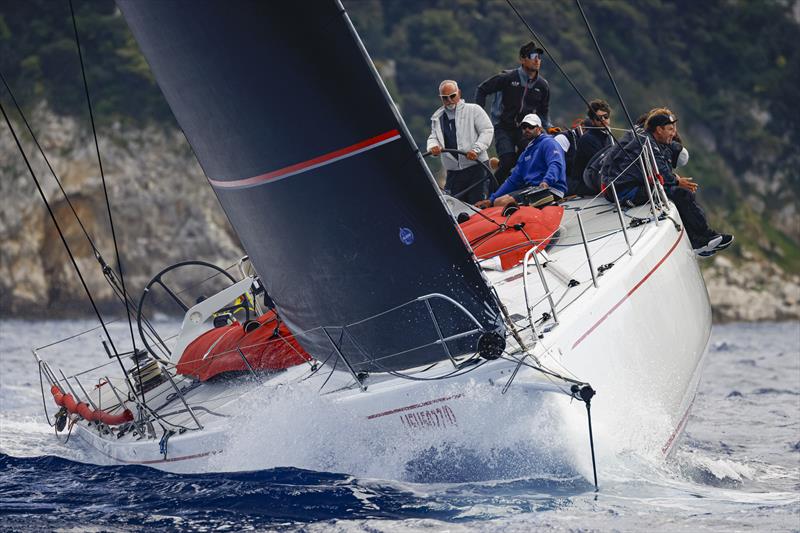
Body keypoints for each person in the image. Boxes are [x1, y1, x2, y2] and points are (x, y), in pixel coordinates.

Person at [603, 109, 733, 256]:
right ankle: (703, 238)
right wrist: (677, 180)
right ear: (659, 130)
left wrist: (675, 179)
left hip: (630, 186)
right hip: (624, 192)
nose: (673, 133)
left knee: (677, 194)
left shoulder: (650, 140)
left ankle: (700, 240)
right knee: (681, 194)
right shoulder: (648, 144)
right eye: (670, 129)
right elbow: (663, 175)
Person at [475, 42, 551, 187]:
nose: (537, 60)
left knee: (530, 156)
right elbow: (482, 90)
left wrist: (549, 128)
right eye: (533, 56)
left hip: (524, 129)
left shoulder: (543, 85)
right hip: (503, 126)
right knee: (508, 160)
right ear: (522, 59)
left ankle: (520, 186)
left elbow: (543, 113)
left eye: (539, 57)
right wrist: (479, 116)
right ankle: (490, 193)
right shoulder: (507, 77)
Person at [475, 114, 566, 209]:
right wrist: (491, 199)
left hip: (550, 189)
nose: (527, 129)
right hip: (533, 190)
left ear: (539, 128)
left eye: (531, 127)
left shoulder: (548, 143)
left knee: (501, 202)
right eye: (524, 127)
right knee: (497, 201)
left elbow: (556, 164)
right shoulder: (525, 153)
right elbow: (513, 180)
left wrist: (546, 181)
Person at [426, 80, 494, 204]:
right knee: (454, 206)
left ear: (459, 93)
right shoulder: (437, 117)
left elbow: (487, 131)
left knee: (478, 204)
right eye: (445, 98)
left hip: (477, 168)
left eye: (452, 96)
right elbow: (434, 136)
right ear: (441, 98)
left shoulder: (474, 110)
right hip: (454, 172)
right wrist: (433, 147)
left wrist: (476, 149)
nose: (450, 100)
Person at [571, 99, 614, 195]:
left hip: (600, 181)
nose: (604, 121)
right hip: (585, 186)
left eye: (606, 117)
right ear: (593, 121)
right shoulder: (587, 139)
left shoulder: (608, 136)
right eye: (599, 118)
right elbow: (601, 165)